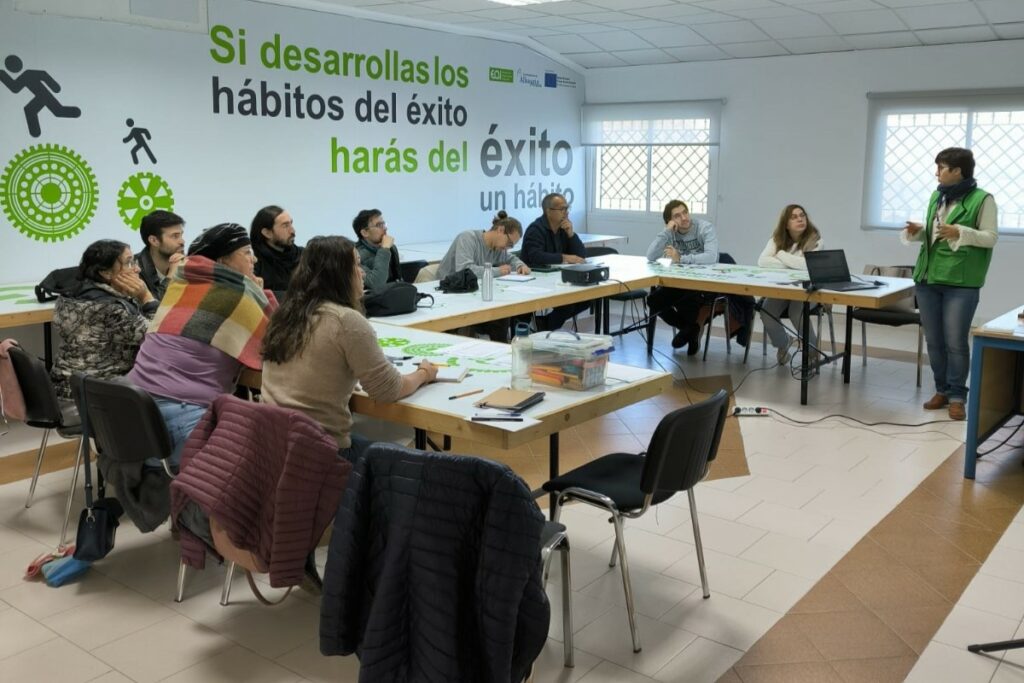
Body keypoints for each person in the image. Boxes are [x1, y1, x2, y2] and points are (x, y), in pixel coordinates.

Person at [261, 236, 438, 461]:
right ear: (339, 274)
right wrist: (424, 374)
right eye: (356, 264)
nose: (362, 272)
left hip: (272, 442)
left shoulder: (284, 314)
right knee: (402, 455)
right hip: (320, 451)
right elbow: (388, 390)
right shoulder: (345, 320)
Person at [127, 223, 277, 466]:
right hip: (180, 428)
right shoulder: (235, 292)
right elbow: (278, 342)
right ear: (223, 261)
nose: (254, 259)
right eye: (247, 252)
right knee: (274, 452)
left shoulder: (180, 285)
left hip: (132, 422)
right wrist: (260, 293)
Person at [903, 147, 998, 421]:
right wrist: (918, 231)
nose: (937, 173)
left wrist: (960, 232)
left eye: (941, 168)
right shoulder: (938, 196)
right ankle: (941, 390)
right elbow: (936, 235)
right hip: (928, 277)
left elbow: (990, 237)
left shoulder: (983, 199)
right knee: (934, 340)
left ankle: (957, 396)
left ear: (958, 171)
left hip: (961, 281)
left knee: (955, 341)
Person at [50, 240, 158, 399]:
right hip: (96, 393)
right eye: (129, 263)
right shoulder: (109, 308)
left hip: (66, 384)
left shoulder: (69, 296)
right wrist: (146, 298)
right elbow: (156, 337)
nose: (137, 269)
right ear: (106, 273)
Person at [436, 213, 531, 341]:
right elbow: (465, 271)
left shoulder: (498, 249)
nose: (507, 248)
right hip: (449, 294)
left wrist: (520, 265)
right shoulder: (468, 238)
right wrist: (498, 271)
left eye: (511, 246)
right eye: (509, 243)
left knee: (501, 315)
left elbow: (511, 258)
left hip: (471, 295)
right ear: (500, 230)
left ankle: (501, 350)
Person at [645, 200, 720, 354]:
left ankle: (689, 332)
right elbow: (651, 256)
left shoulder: (704, 228)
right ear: (670, 221)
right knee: (653, 300)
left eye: (685, 212)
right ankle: (690, 329)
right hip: (680, 281)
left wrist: (681, 258)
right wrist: (666, 231)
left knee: (688, 301)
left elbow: (712, 257)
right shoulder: (670, 232)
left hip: (703, 282)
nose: (684, 218)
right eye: (677, 216)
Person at [757, 205, 824, 364]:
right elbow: (762, 261)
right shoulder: (776, 239)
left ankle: (813, 351)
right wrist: (793, 263)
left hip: (809, 290)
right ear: (786, 224)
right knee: (766, 311)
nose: (800, 219)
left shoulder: (816, 240)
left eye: (802, 215)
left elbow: (806, 265)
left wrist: (780, 254)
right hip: (783, 288)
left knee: (796, 312)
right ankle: (783, 342)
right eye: (794, 217)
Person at [520, 193, 589, 330]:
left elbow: (581, 256)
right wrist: (564, 257)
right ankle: (545, 327)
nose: (566, 212)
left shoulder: (564, 229)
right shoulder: (536, 229)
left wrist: (571, 235)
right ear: (548, 211)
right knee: (568, 303)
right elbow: (535, 256)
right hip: (536, 280)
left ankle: (545, 324)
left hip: (557, 279)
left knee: (587, 298)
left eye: (567, 208)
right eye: (562, 209)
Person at [136, 210, 185, 301]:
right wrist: (171, 277)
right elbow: (154, 307)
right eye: (175, 236)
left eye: (181, 235)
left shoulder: (187, 264)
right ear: (154, 241)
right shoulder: (133, 270)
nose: (182, 241)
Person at [251, 205, 302, 292]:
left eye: (291, 223)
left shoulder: (304, 255)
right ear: (267, 233)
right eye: (285, 226)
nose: (293, 231)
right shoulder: (253, 261)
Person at [354, 209, 402, 293]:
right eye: (379, 225)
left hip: (392, 293)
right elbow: (377, 284)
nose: (385, 228)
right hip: (372, 297)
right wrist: (384, 249)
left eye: (384, 224)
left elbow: (397, 278)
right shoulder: (356, 255)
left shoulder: (391, 247)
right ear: (365, 232)